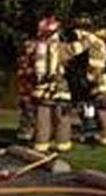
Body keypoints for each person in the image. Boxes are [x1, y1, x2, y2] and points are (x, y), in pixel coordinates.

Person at [31, 15, 80, 153]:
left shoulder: (35, 47)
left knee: (42, 119)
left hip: (41, 89)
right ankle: (62, 144)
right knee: (62, 119)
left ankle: (41, 144)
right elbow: (78, 49)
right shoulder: (62, 48)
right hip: (60, 88)